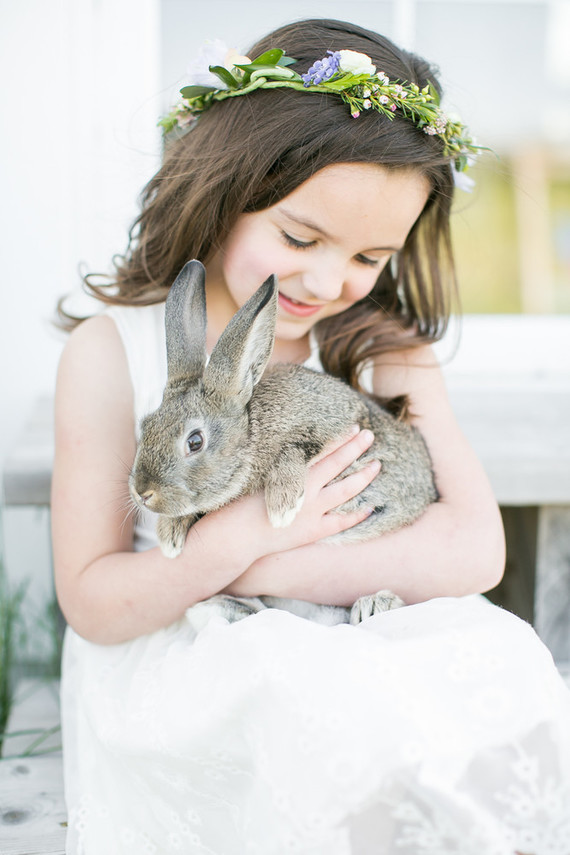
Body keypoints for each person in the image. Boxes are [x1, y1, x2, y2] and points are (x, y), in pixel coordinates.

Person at [52, 18, 570, 855]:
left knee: (498, 671)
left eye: (370, 256)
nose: (330, 281)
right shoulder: (114, 348)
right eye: (300, 238)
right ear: (223, 188)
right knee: (301, 708)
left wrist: (267, 563)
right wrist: (236, 544)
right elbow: (92, 597)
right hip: (189, 653)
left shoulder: (380, 347)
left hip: (366, 622)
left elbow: (474, 549)